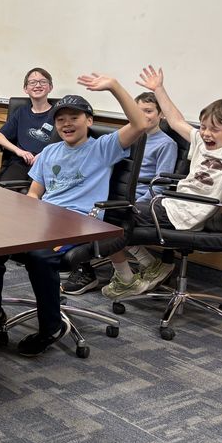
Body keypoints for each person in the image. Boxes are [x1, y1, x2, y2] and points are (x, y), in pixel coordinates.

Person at [0, 74, 148, 357]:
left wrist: (113, 86)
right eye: (61, 119)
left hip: (80, 223)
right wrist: (23, 217)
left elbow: (140, 124)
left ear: (89, 120)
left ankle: (51, 327)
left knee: (40, 256)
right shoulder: (49, 151)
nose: (66, 123)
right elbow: (35, 193)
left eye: (74, 117)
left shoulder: (102, 148)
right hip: (46, 219)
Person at [97, 65, 222, 301]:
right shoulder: (201, 142)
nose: (206, 133)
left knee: (109, 218)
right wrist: (158, 89)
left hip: (184, 213)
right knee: (111, 215)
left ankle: (127, 279)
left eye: (214, 129)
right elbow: (175, 120)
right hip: (172, 205)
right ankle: (151, 265)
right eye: (204, 127)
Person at [61, 90, 178, 295]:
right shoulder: (128, 137)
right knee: (80, 206)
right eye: (138, 111)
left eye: (149, 111)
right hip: (117, 193)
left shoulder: (166, 144)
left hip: (142, 198)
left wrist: (137, 205)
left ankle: (118, 275)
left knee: (102, 218)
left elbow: (160, 185)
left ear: (161, 114)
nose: (143, 116)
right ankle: (148, 264)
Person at [0, 67, 56, 183]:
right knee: (6, 188)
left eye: (43, 82)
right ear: (26, 89)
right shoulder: (21, 112)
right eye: (32, 82)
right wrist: (19, 151)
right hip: (20, 162)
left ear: (50, 87)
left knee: (36, 191)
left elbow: (64, 143)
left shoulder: (58, 114)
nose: (38, 85)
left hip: (45, 164)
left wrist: (44, 155)